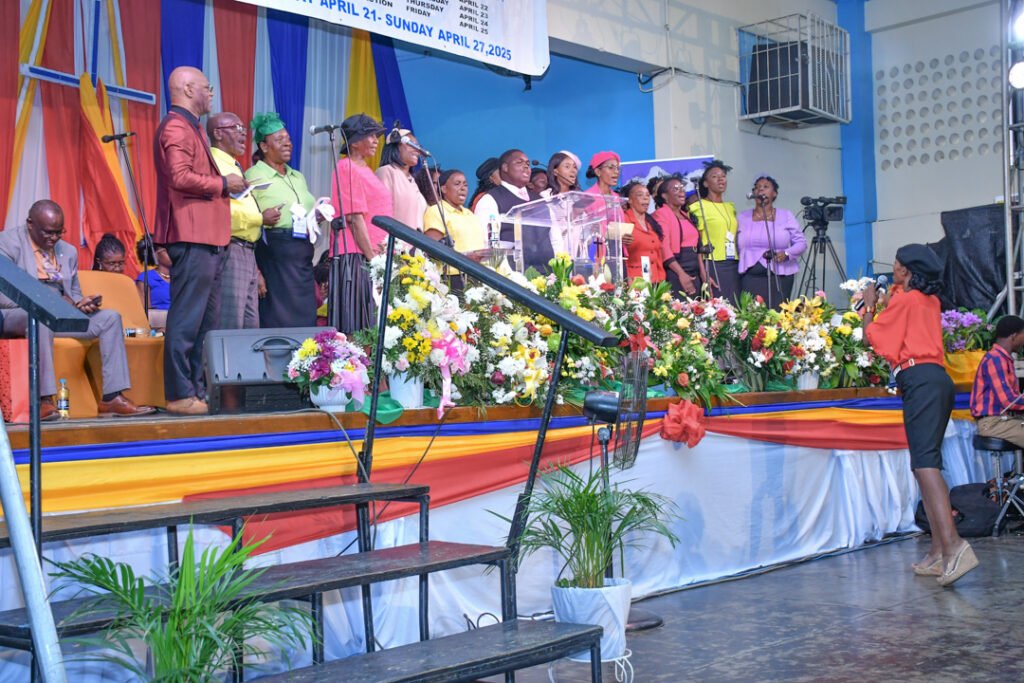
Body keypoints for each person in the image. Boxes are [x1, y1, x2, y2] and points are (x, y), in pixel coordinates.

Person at [862, 244, 977, 587]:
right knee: (925, 462)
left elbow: (878, 340)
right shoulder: (928, 300)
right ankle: (939, 551)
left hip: (920, 381)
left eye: (897, 265)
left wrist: (868, 308)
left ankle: (955, 546)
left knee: (925, 464)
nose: (894, 269)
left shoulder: (906, 300)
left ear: (907, 272)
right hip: (937, 380)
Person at [0, 200, 154, 418]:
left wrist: (82, 305)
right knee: (39, 317)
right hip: (18, 312)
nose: (54, 238)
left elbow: (73, 293)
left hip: (60, 313)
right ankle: (43, 400)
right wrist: (46, 304)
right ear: (30, 224)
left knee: (110, 318)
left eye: (58, 232)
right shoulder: (7, 244)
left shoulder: (68, 251)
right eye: (47, 233)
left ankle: (112, 398)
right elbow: (3, 296)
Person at [154, 66, 243, 416]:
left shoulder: (189, 127)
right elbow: (179, 177)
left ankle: (195, 391)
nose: (211, 94)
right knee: (186, 320)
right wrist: (224, 184)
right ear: (189, 89)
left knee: (206, 322)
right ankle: (178, 393)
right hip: (190, 236)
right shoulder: (176, 126)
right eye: (207, 88)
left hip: (207, 236)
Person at [244, 112, 317, 328]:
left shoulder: (298, 177)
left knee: (305, 321)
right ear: (264, 147)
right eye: (279, 140)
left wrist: (318, 216)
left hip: (302, 255)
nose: (287, 144)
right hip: (273, 256)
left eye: (288, 139)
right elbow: (246, 220)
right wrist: (256, 271)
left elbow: (304, 214)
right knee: (277, 320)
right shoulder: (253, 175)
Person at [207, 112, 277, 330]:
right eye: (236, 129)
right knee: (231, 321)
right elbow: (221, 212)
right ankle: (226, 366)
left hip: (247, 249)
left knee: (250, 325)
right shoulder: (213, 162)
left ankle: (245, 366)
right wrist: (260, 218)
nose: (242, 135)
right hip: (230, 248)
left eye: (243, 130)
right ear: (218, 133)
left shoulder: (234, 164)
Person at [330, 113, 391, 334]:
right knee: (360, 322)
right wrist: (372, 259)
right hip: (357, 255)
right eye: (371, 135)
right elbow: (355, 219)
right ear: (354, 141)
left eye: (377, 136)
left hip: (372, 254)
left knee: (374, 320)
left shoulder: (365, 169)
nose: (376, 140)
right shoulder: (347, 167)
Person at [474, 148, 559, 273]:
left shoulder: (541, 200)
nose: (526, 167)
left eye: (527, 164)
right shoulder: (490, 199)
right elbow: (487, 243)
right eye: (519, 163)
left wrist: (559, 269)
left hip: (548, 274)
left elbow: (555, 239)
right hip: (513, 276)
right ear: (505, 167)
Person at [737, 174, 807, 304]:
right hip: (750, 277)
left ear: (774, 193)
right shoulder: (742, 217)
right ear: (753, 193)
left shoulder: (785, 215)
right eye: (757, 188)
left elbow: (801, 243)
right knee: (752, 317)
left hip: (780, 275)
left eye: (765, 187)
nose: (761, 190)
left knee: (777, 317)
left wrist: (787, 253)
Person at [423, 169, 485, 294]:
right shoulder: (436, 211)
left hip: (477, 275)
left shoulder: (469, 214)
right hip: (452, 277)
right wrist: (465, 257)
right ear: (444, 189)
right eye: (457, 184)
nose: (463, 188)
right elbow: (432, 251)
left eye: (465, 184)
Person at [970, 315, 1024, 447]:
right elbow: (1009, 401)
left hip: (1005, 421)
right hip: (993, 424)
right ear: (1014, 336)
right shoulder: (996, 359)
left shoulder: (1003, 358)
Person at [690, 160, 740, 302]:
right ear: (705, 183)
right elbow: (696, 243)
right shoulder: (697, 207)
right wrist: (703, 272)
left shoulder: (730, 207)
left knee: (734, 307)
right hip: (712, 263)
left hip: (732, 263)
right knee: (717, 308)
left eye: (723, 176)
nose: (721, 179)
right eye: (715, 176)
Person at [651, 175, 705, 297]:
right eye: (676, 188)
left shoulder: (686, 215)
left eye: (682, 188)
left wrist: (703, 274)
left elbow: (698, 246)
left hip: (694, 270)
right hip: (677, 270)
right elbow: (665, 248)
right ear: (665, 196)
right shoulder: (661, 214)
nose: (682, 191)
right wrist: (681, 274)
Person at [377, 126, 428, 230]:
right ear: (396, 147)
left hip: (416, 243)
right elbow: (380, 212)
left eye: (418, 146)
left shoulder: (412, 180)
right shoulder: (387, 172)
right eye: (412, 144)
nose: (417, 150)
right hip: (394, 241)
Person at [619, 180, 666, 283]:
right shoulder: (623, 220)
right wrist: (626, 279)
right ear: (629, 200)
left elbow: (657, 255)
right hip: (634, 282)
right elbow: (619, 254)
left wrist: (662, 282)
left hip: (654, 281)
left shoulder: (651, 222)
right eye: (640, 195)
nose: (645, 198)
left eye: (647, 195)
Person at [135, 242, 172, 332]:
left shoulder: (182, 276)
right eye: (167, 250)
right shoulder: (145, 278)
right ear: (155, 254)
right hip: (158, 328)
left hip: (183, 323)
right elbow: (144, 313)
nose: (172, 253)